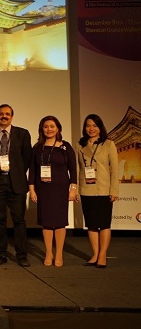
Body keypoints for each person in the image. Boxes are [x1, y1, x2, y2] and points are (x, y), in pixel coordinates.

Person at [0, 104, 33, 267]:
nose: (4, 116)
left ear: (12, 116)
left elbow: (27, 158)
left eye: (7, 114)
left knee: (19, 220)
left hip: (15, 182)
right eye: (1, 114)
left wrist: (16, 173)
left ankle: (21, 255)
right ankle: (1, 254)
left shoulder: (23, 133)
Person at [28, 116, 77, 267]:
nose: (49, 129)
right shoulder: (37, 148)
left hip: (61, 189)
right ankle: (49, 253)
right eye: (46, 126)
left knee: (60, 222)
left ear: (58, 128)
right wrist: (32, 189)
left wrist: (73, 189)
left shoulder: (65, 147)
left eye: (52, 126)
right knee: (47, 222)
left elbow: (73, 170)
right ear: (41, 129)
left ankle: (59, 254)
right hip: (43, 189)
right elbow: (32, 170)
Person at [76, 114, 118, 268]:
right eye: (88, 125)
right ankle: (95, 254)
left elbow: (114, 169)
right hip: (87, 189)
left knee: (104, 224)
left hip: (104, 189)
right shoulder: (80, 145)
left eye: (94, 125)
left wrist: (114, 190)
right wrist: (76, 189)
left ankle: (102, 255)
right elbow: (78, 169)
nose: (91, 129)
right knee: (92, 224)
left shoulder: (109, 144)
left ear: (100, 127)